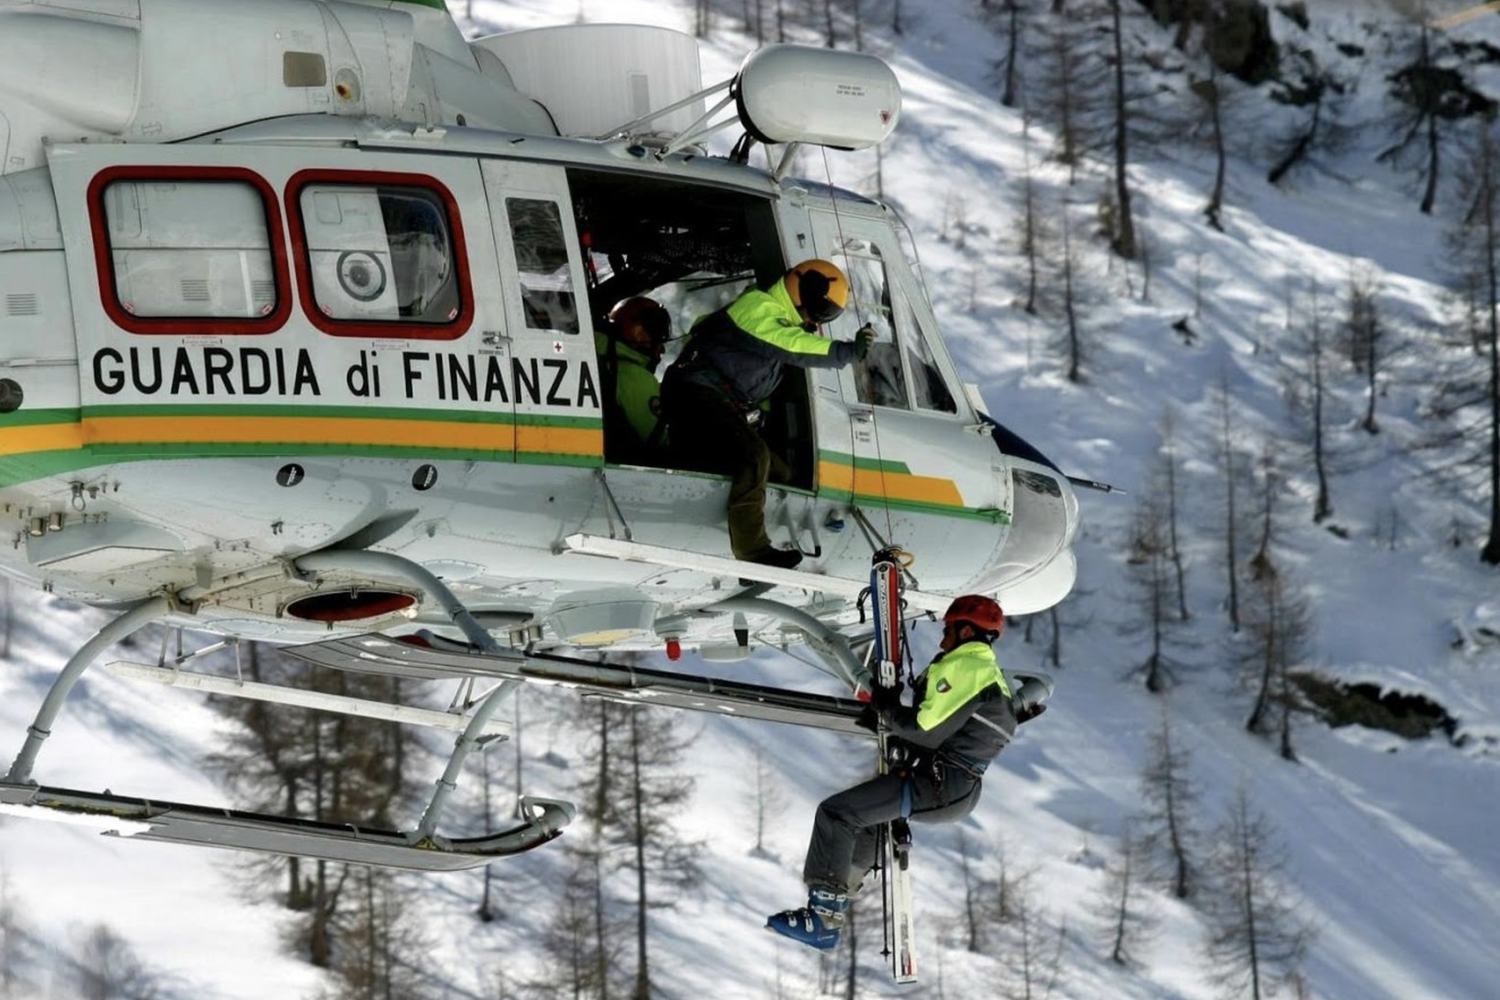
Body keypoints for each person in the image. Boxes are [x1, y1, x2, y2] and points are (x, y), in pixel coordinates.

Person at [765, 594, 1047, 950]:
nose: (943, 637)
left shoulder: (966, 669)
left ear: (965, 631)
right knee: (861, 820)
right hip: (950, 784)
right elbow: (949, 730)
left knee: (837, 814)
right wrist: (890, 719)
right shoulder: (987, 674)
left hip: (938, 785)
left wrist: (887, 710)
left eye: (948, 629)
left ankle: (823, 917)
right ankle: (833, 900)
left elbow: (923, 729)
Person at [661, 259, 875, 568]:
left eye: (827, 313)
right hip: (693, 393)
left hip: (718, 403)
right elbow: (791, 346)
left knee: (780, 473)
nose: (816, 318)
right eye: (819, 308)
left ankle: (752, 541)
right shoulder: (757, 307)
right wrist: (844, 352)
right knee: (754, 457)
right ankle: (753, 554)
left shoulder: (780, 325)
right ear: (801, 289)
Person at [597, 296, 672, 465]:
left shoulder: (599, 362)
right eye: (657, 332)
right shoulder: (634, 377)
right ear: (637, 332)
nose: (663, 347)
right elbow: (661, 442)